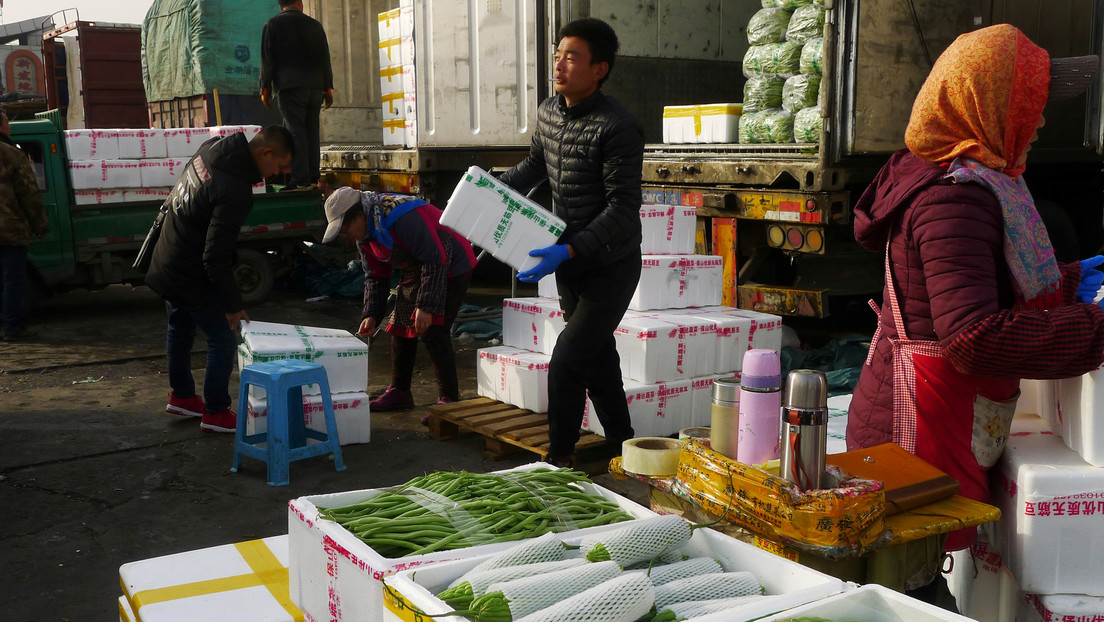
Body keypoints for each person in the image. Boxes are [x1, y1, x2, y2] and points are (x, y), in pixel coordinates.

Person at [849, 23, 1104, 557]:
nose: (1039, 121)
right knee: (914, 583)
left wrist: (1073, 280)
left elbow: (984, 275)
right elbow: (973, 337)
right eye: (1032, 103)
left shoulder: (973, 175)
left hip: (940, 413)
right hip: (918, 429)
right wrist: (1096, 329)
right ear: (990, 106)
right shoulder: (955, 198)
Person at [496, 17, 643, 467]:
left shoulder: (618, 126)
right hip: (572, 265)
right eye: (557, 54)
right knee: (597, 354)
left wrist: (571, 247)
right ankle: (623, 441)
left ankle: (558, 460)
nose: (558, 64)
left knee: (566, 360)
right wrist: (487, 188)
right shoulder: (549, 112)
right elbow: (534, 167)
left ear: (599, 69)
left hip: (610, 265)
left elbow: (622, 208)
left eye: (571, 56)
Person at [146, 127, 294, 432]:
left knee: (180, 328)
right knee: (222, 338)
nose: (276, 174)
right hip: (188, 268)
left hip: (168, 257)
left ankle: (183, 397)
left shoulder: (212, 149)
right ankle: (215, 411)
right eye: (279, 167)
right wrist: (232, 304)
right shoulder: (235, 188)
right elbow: (215, 255)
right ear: (266, 153)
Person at [321, 186, 476, 415]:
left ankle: (450, 397)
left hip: (450, 263)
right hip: (417, 268)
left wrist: (425, 306)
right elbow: (375, 275)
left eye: (345, 228)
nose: (345, 235)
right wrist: (371, 313)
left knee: (433, 329)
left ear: (359, 215)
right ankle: (400, 392)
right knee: (401, 327)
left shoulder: (401, 216)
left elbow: (435, 257)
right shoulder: (364, 236)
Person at [259, 0, 333, 190]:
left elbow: (267, 60)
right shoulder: (315, 25)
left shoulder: (272, 25)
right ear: (300, 3)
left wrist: (265, 88)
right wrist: (328, 88)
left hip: (289, 87)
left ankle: (300, 180)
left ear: (280, 5)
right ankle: (312, 177)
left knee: (296, 132)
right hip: (315, 88)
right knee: (312, 131)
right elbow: (325, 57)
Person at [0, 110, 49, 341]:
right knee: (12, 281)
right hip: (9, 231)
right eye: (7, 122)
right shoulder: (11, 154)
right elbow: (29, 194)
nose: (9, 127)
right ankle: (11, 328)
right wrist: (40, 225)